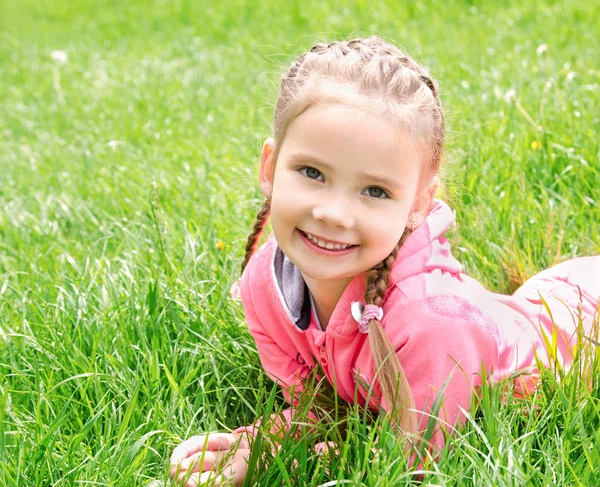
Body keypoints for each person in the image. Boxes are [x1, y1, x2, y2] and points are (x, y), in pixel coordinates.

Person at [170, 36, 600, 486]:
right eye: (312, 173)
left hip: (580, 323)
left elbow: (408, 462)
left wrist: (274, 466)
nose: (332, 213)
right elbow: (327, 409)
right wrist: (260, 440)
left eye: (375, 191)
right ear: (269, 165)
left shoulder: (432, 324)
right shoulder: (266, 286)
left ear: (419, 203)